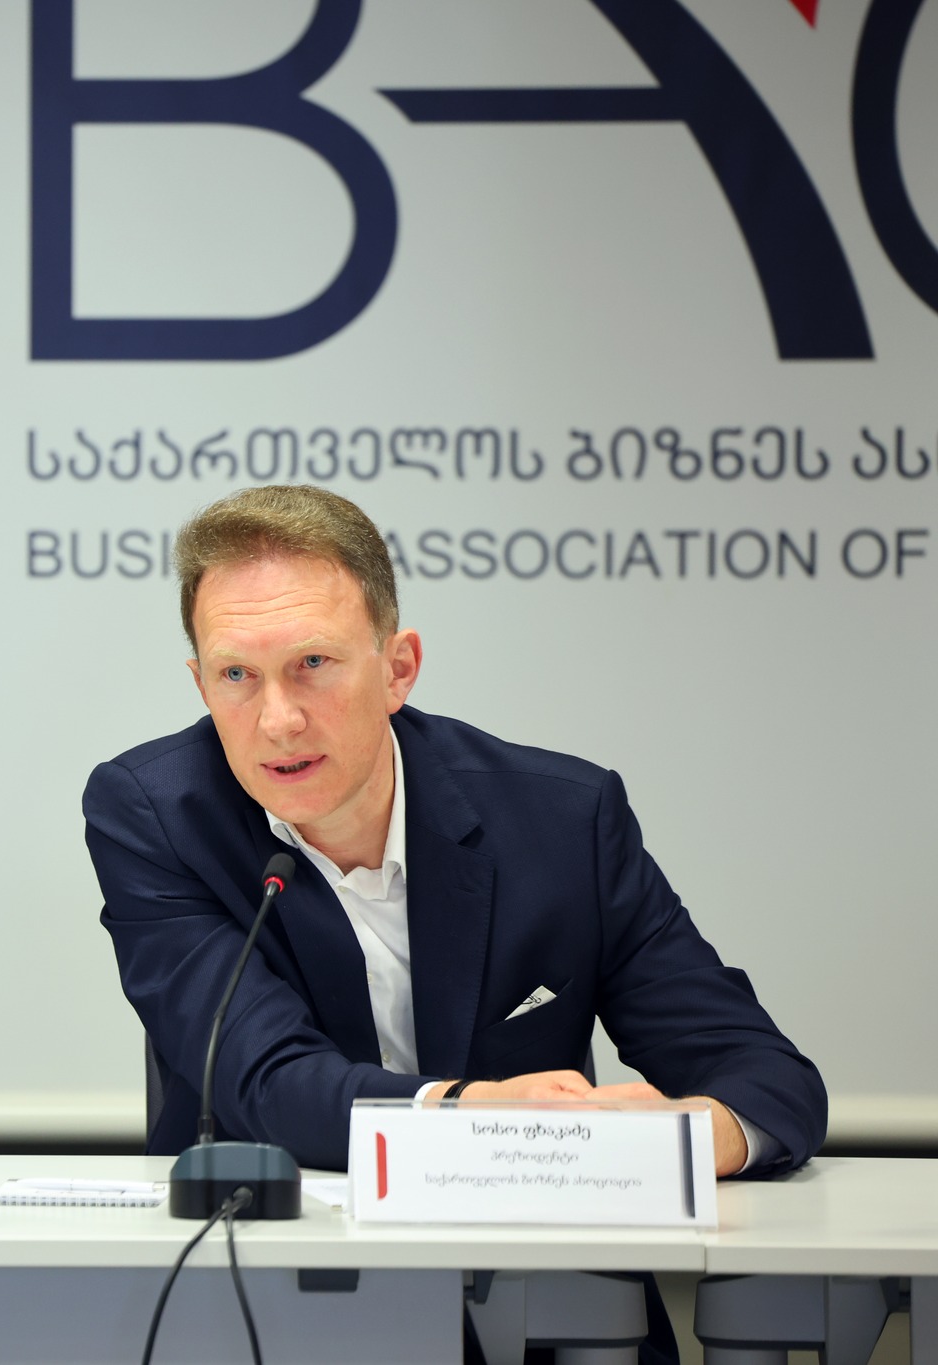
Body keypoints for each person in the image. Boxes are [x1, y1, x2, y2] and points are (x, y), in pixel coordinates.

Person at [85, 486, 826, 1179]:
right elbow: (268, 1081)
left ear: (398, 669)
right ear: (201, 685)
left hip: (527, 1252)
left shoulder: (563, 822)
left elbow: (764, 1075)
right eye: (236, 675)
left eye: (313, 662)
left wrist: (686, 1137)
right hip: (267, 1252)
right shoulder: (157, 817)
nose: (278, 720)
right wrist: (474, 1115)